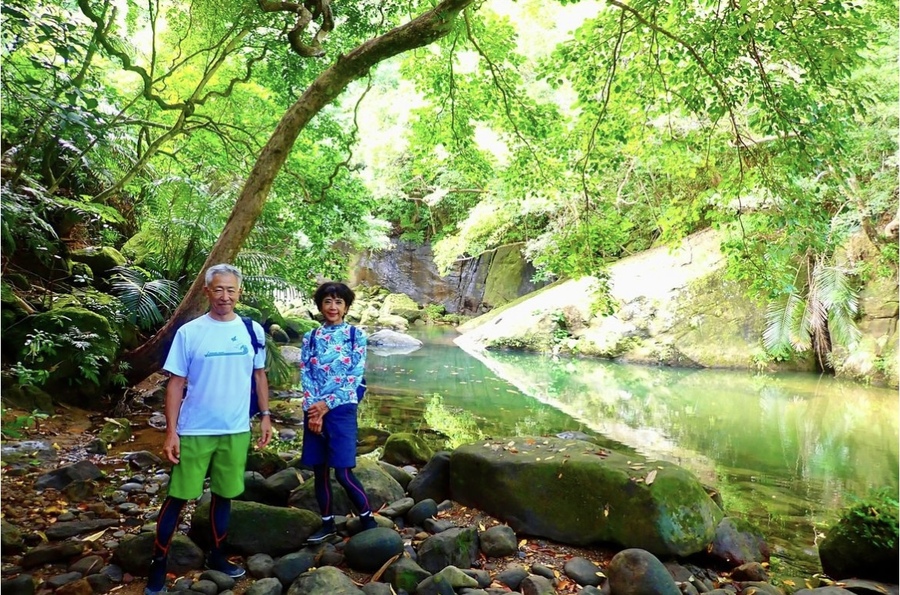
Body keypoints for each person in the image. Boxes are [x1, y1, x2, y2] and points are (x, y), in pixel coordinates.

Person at [146, 263, 272, 595]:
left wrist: (266, 416)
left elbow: (259, 376)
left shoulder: (252, 330)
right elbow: (175, 384)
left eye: (231, 289)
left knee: (224, 495)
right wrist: (171, 431)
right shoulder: (190, 332)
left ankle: (217, 556)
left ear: (239, 292)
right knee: (178, 497)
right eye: (218, 289)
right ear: (207, 292)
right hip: (195, 429)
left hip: (235, 429)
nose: (225, 296)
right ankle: (158, 565)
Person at [300, 281, 377, 543]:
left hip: (342, 409)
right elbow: (306, 375)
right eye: (328, 301)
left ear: (346, 307)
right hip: (313, 410)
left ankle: (368, 519)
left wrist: (325, 406)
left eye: (339, 302)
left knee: (343, 471)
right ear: (320, 305)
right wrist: (313, 411)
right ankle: (327, 523)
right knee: (320, 471)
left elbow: (353, 377)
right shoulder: (310, 337)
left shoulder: (355, 335)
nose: (333, 307)